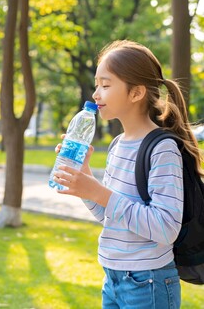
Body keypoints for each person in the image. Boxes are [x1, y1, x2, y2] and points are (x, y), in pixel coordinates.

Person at [53, 40, 203, 309]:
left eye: (106, 85)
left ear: (136, 93)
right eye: (97, 84)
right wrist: (84, 178)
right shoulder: (118, 144)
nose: (96, 94)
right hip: (113, 277)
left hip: (148, 283)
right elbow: (109, 216)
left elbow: (165, 228)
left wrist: (98, 192)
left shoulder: (162, 149)